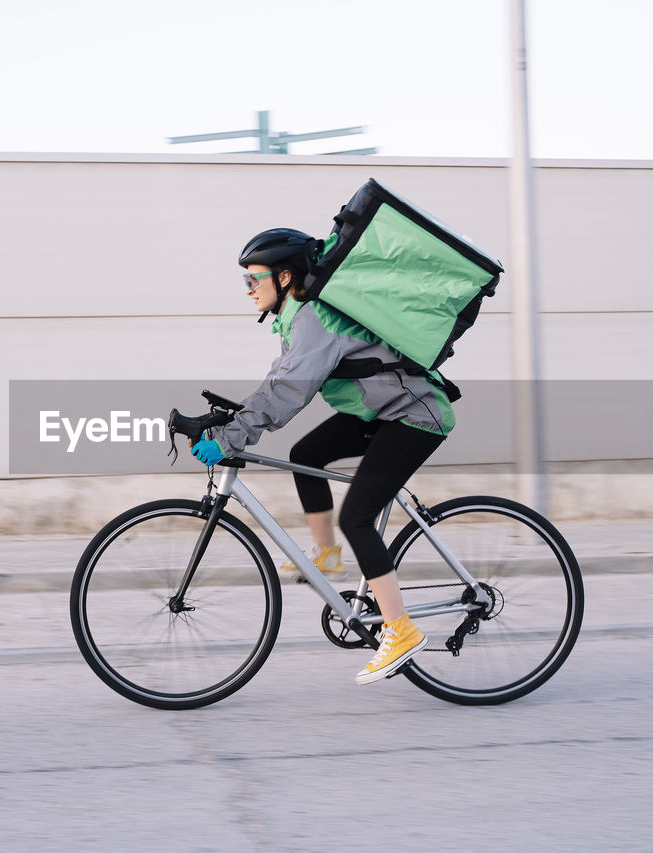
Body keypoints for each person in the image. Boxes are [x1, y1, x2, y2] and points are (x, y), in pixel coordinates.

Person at [190, 228, 456, 686]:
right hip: (381, 411)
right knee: (307, 452)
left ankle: (401, 630)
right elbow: (278, 382)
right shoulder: (296, 318)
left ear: (285, 275)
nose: (248, 290)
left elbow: (290, 389)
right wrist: (229, 422)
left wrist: (232, 439)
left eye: (254, 280)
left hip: (414, 415)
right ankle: (329, 555)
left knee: (358, 516)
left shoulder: (314, 318)